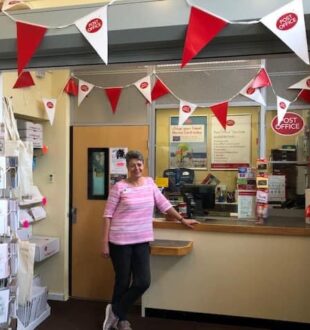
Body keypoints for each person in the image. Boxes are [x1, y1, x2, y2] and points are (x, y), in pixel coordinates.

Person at [101, 150, 198, 330]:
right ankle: (121, 320)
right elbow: (107, 215)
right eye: (132, 165)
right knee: (122, 281)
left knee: (143, 281)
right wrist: (104, 243)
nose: (136, 168)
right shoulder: (119, 187)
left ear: (143, 165)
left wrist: (182, 219)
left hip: (142, 240)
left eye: (139, 164)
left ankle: (114, 310)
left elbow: (164, 205)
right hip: (119, 241)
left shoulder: (150, 184)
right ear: (127, 167)